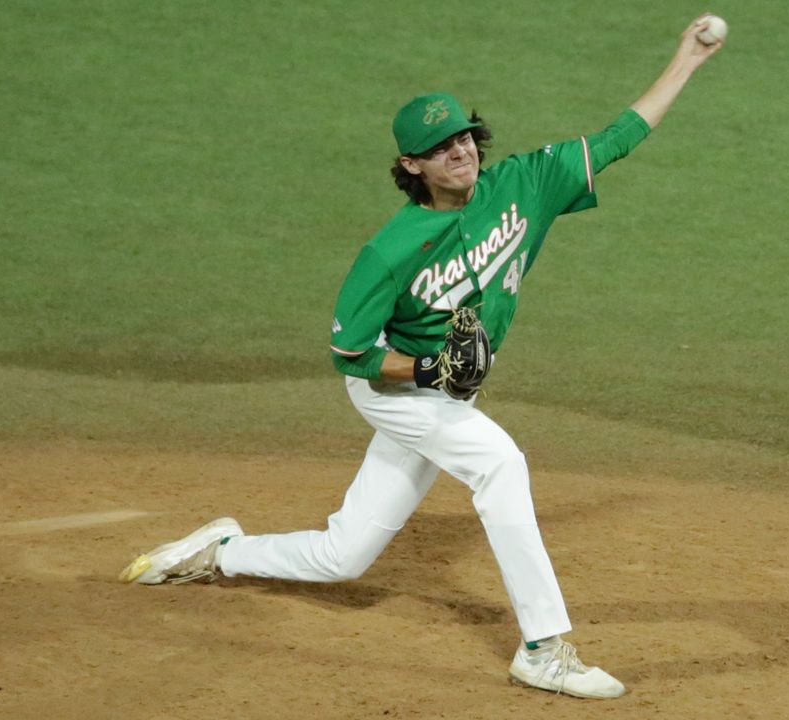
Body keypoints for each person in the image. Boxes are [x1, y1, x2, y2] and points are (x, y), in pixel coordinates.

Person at [120, 15, 725, 699]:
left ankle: (220, 552)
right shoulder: (391, 249)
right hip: (396, 391)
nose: (460, 152)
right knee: (498, 465)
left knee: (344, 556)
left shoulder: (524, 183)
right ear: (412, 165)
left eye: (464, 136)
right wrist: (428, 371)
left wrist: (689, 57)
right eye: (440, 148)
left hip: (447, 393)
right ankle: (544, 649)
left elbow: (620, 137)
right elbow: (348, 354)